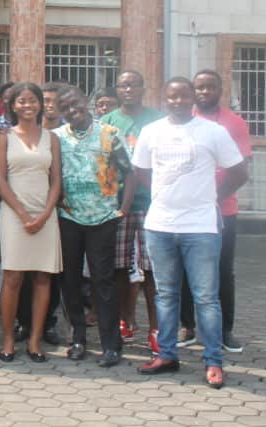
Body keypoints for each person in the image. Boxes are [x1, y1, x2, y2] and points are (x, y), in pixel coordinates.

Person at [133, 77, 248, 390]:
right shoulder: (151, 132)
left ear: (192, 99)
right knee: (166, 295)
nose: (178, 101)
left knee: (206, 298)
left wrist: (214, 195)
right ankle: (167, 355)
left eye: (184, 96)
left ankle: (213, 361)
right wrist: (165, 195)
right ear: (164, 99)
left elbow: (239, 171)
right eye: (172, 97)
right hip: (160, 226)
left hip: (200, 227)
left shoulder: (213, 132)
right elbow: (141, 171)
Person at [55, 88, 132, 368]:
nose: (72, 109)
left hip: (103, 218)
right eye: (65, 106)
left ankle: (111, 344)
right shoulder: (57, 137)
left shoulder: (109, 133)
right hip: (68, 217)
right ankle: (77, 339)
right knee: (70, 280)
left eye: (75, 103)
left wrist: (123, 207)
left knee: (103, 281)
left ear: (85, 103)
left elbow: (129, 172)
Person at [179, 69, 253, 354]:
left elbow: (242, 169)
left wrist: (214, 198)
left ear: (220, 90)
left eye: (210, 87)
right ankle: (187, 325)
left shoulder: (234, 123)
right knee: (185, 269)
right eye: (199, 88)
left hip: (223, 210)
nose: (204, 92)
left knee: (222, 271)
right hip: (187, 211)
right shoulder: (183, 121)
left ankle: (225, 331)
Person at [0, 82, 63, 363]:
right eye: (22, 101)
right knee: (13, 276)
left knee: (43, 277)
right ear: (12, 105)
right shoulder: (4, 137)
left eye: (32, 100)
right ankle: (8, 339)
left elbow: (56, 179)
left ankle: (34, 341)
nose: (27, 105)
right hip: (13, 213)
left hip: (46, 213)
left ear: (40, 105)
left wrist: (45, 213)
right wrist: (22, 214)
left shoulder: (51, 138)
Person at [101, 69, 164, 345]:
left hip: (151, 204)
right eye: (123, 85)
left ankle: (156, 328)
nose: (128, 90)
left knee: (152, 270)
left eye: (134, 85)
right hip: (117, 204)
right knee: (119, 267)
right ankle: (125, 320)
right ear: (117, 90)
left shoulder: (158, 121)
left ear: (142, 88)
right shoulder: (106, 122)